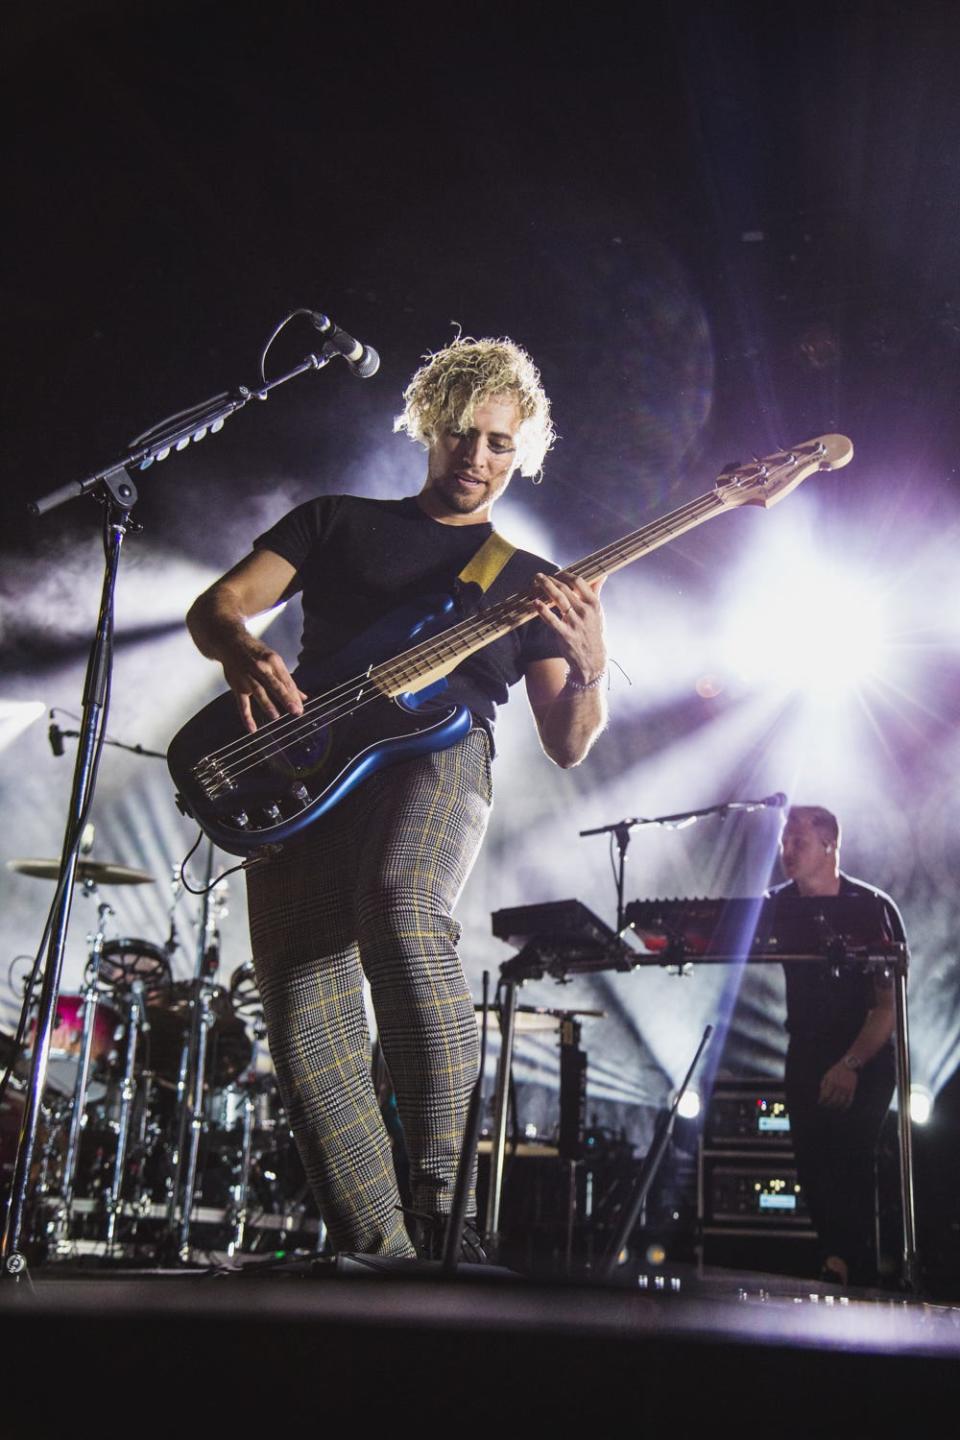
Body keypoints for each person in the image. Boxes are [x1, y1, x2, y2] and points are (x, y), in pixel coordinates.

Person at [186, 335, 608, 1258]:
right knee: (302, 1023)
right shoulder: (334, 519)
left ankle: (445, 1212)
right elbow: (217, 606)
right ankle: (380, 1258)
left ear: (523, 449)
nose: (477, 457)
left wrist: (590, 670)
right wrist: (241, 649)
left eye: (500, 442)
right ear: (429, 427)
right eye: (463, 434)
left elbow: (568, 745)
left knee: (400, 904)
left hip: (440, 752)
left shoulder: (529, 580)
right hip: (305, 765)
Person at [770, 804, 904, 1286]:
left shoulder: (870, 908)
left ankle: (849, 1266)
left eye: (798, 843)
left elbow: (886, 1007)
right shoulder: (779, 906)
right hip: (805, 1050)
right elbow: (717, 935)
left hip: (864, 1052)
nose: (787, 851)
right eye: (785, 842)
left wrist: (850, 1063)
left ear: (829, 846)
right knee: (811, 1160)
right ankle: (838, 1261)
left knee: (851, 1155)